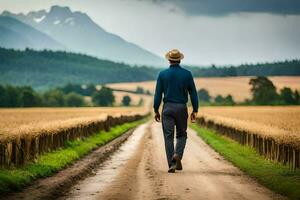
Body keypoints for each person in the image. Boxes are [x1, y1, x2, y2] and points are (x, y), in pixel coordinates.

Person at [153, 49, 199, 173]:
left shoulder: (162, 74)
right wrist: (195, 109)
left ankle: (171, 164)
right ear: (180, 59)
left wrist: (156, 109)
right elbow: (193, 93)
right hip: (181, 108)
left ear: (169, 60)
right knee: (182, 134)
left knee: (168, 137)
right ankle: (177, 154)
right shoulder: (187, 74)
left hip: (167, 108)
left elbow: (158, 94)